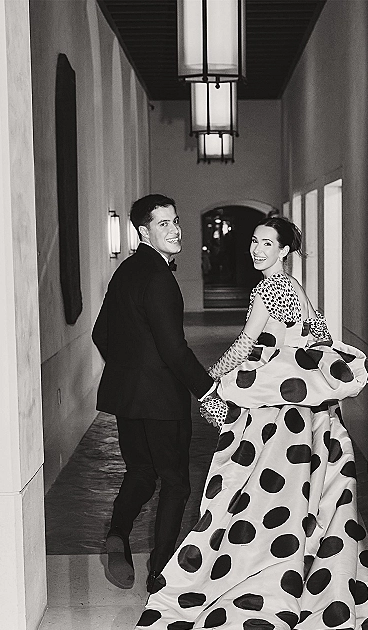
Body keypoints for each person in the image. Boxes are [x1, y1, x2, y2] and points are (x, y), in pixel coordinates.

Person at [105, 216, 368, 630]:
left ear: (285, 250)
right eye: (254, 241)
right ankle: (300, 583)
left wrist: (212, 380)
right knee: (303, 505)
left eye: (267, 243)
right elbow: (316, 343)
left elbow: (247, 345)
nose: (256, 249)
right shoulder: (297, 290)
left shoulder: (270, 292)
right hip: (307, 422)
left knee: (256, 502)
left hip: (278, 425)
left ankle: (260, 582)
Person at [92, 194, 220, 593]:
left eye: (176, 221)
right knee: (176, 481)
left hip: (128, 397)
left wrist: (131, 369)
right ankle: (160, 572)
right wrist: (207, 391)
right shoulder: (160, 278)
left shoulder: (126, 271)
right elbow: (174, 349)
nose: (175, 229)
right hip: (162, 400)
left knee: (141, 472)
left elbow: (101, 334)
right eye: (163, 224)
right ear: (143, 231)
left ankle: (117, 532)